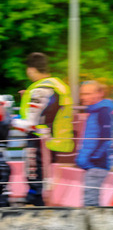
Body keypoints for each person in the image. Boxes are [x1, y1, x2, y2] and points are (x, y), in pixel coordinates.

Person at [11, 53, 73, 206]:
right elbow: (48, 109)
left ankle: (36, 204)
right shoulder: (55, 84)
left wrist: (9, 120)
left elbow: (31, 122)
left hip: (38, 139)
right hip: (52, 138)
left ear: (31, 69)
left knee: (35, 178)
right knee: (41, 176)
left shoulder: (41, 89)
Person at [75, 81, 113, 207]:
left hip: (97, 164)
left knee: (90, 202)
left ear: (100, 94)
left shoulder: (103, 111)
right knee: (90, 199)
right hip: (91, 164)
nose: (83, 97)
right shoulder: (94, 112)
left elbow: (106, 137)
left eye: (88, 93)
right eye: (82, 94)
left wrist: (94, 157)